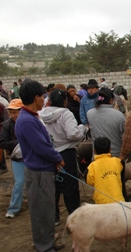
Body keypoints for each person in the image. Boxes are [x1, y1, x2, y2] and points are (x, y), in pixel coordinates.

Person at [15, 79, 66, 252]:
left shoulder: (31, 116)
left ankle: (48, 241)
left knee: (47, 208)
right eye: (43, 96)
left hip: (43, 168)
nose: (45, 99)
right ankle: (45, 249)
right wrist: (58, 158)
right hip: (38, 171)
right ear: (36, 97)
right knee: (41, 211)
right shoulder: (27, 120)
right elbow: (41, 147)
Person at [40, 89, 87, 225]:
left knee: (54, 185)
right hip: (66, 152)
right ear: (64, 101)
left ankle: (54, 216)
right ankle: (75, 215)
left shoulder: (42, 114)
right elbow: (72, 134)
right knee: (70, 186)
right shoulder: (65, 113)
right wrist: (82, 129)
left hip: (50, 151)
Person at [0, 99, 25, 218]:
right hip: (17, 159)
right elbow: (2, 143)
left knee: (35, 182)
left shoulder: (29, 122)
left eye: (16, 112)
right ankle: (13, 208)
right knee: (19, 183)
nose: (14, 115)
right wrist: (19, 143)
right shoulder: (7, 125)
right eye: (12, 112)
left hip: (31, 158)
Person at [87, 87, 125, 158]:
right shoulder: (119, 115)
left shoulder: (89, 113)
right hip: (115, 157)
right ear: (111, 100)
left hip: (97, 157)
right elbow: (124, 136)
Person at [86, 136, 125, 204]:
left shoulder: (92, 166)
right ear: (110, 149)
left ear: (94, 151)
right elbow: (121, 168)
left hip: (101, 202)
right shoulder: (117, 161)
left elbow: (90, 182)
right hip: (119, 200)